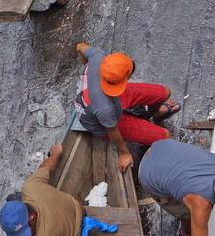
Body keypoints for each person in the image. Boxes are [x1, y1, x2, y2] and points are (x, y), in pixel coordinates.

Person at [73, 42, 180, 173]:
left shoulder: (98, 57)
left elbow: (80, 47)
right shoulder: (104, 109)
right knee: (165, 136)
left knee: (165, 92)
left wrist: (87, 67)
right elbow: (112, 130)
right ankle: (145, 118)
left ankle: (154, 112)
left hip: (109, 94)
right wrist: (124, 153)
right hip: (104, 123)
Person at [0, 142, 83, 236]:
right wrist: (56, 154)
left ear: (32, 218)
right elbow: (46, 168)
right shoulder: (30, 186)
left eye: (26, 231)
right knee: (12, 197)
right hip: (76, 207)